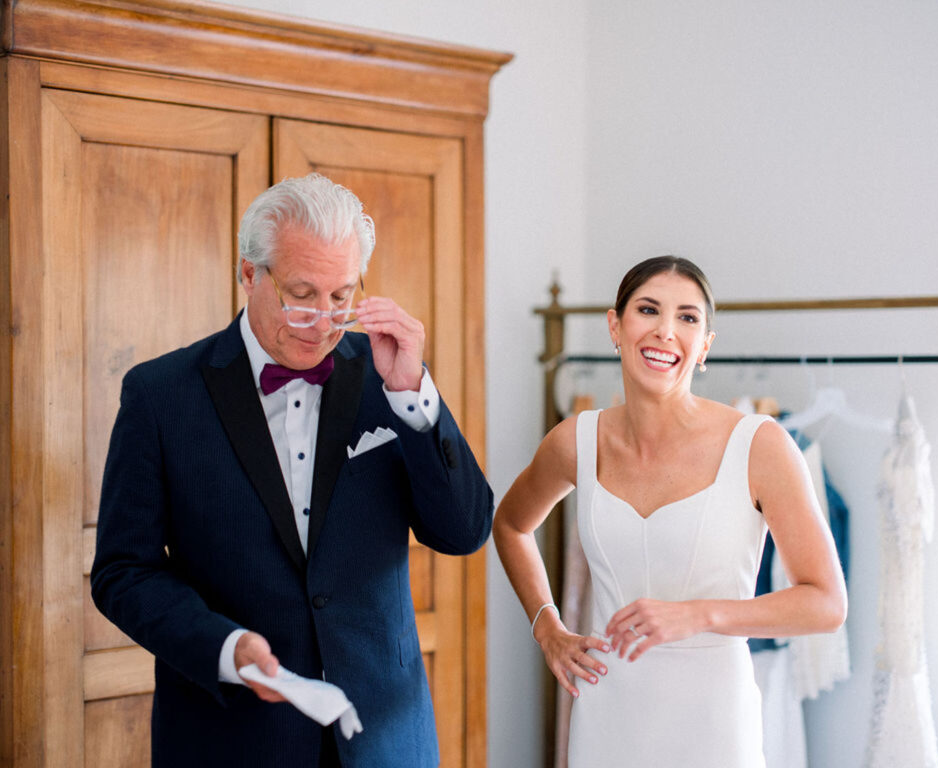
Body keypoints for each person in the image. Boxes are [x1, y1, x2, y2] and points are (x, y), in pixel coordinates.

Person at [91, 173, 493, 768]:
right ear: (249, 274)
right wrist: (224, 647)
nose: (324, 321)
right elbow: (124, 572)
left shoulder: (392, 377)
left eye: (342, 296)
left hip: (384, 738)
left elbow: (463, 533)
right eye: (301, 294)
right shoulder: (158, 394)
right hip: (230, 738)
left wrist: (413, 395)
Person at [493, 256, 847, 767]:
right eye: (648, 309)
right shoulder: (576, 441)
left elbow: (827, 604)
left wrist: (701, 614)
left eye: (687, 318)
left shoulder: (759, 446)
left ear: (705, 346)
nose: (665, 331)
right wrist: (546, 626)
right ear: (615, 326)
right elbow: (510, 525)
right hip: (606, 718)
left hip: (713, 725)